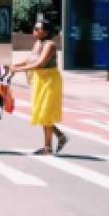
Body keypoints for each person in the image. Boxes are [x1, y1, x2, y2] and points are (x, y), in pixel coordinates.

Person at [10, 20, 67, 155]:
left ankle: (47, 148)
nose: (34, 31)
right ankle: (60, 136)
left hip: (50, 80)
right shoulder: (38, 43)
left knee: (45, 112)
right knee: (40, 112)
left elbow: (40, 63)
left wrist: (18, 70)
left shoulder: (50, 45)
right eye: (34, 28)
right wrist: (14, 65)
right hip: (39, 80)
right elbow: (30, 60)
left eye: (37, 29)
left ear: (46, 32)